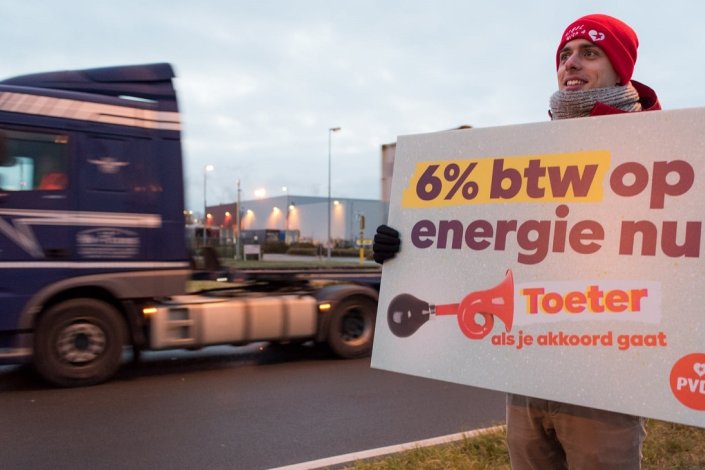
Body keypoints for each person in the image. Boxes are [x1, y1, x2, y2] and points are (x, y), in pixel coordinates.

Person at [373, 13, 660, 470]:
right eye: (565, 55)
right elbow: (472, 242)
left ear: (619, 69)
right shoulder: (530, 155)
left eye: (590, 53)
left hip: (605, 388)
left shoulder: (660, 149)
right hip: (527, 381)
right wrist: (403, 249)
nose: (572, 64)